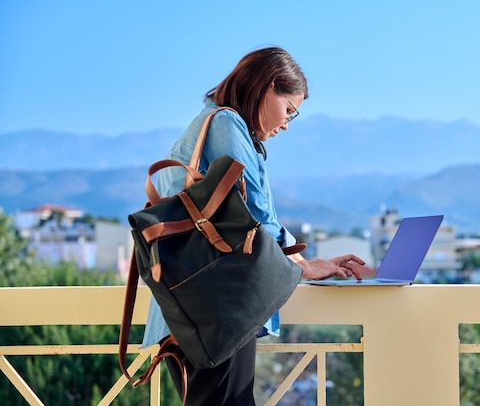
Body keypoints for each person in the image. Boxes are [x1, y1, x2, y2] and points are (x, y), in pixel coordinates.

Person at [141, 46, 365, 406]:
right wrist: (305, 264)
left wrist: (300, 262)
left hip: (193, 309)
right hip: (217, 308)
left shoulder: (208, 123)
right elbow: (256, 213)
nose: (286, 125)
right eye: (288, 110)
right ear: (265, 86)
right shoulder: (226, 123)